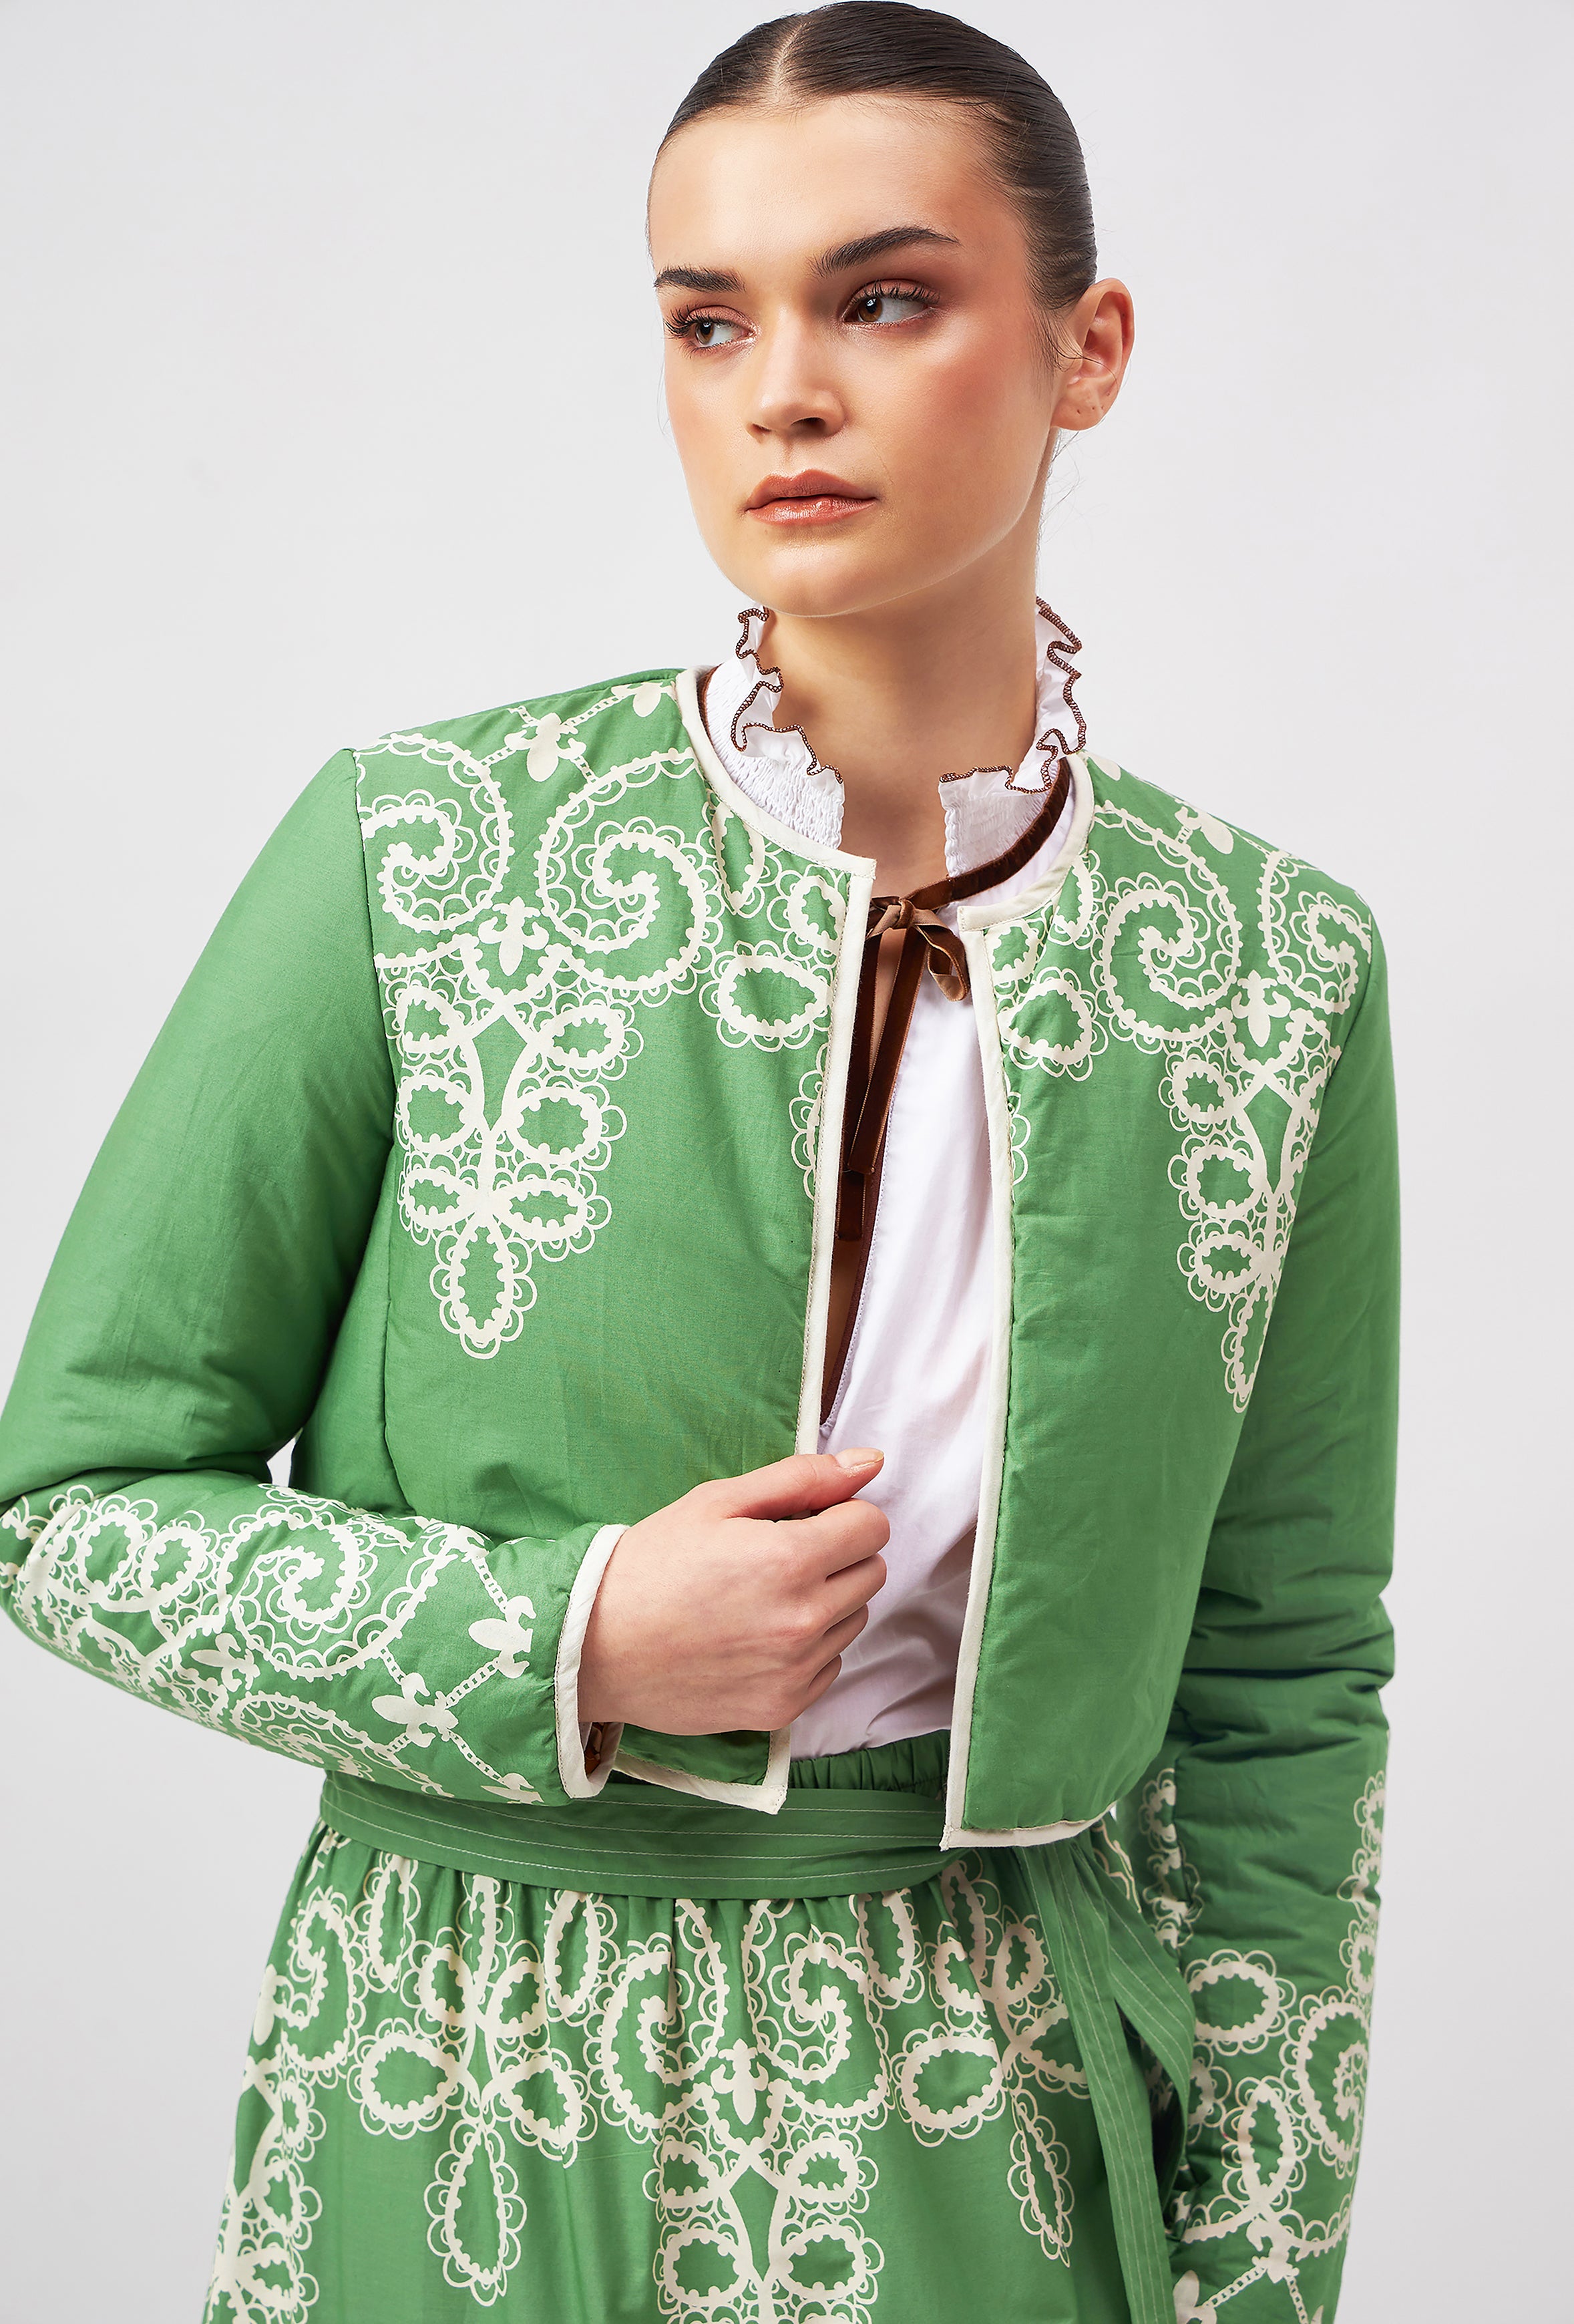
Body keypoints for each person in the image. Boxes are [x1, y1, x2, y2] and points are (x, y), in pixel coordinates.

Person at [0, 7, 1398, 2321]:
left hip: (998, 2107)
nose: (784, 395)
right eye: (708, 321)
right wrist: (571, 1636)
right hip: (458, 2069)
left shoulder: (1265, 971)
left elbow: (1282, 1679)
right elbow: (64, 1506)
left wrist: (1262, 2269)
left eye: (885, 298)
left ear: (1088, 350)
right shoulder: (424, 854)